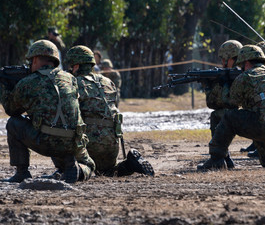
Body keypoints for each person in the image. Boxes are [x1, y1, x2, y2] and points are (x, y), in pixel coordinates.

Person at [0, 40, 95, 183]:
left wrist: (3, 88)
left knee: (13, 123)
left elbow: (11, 110)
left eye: (31, 61)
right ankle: (75, 168)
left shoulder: (28, 82)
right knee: (89, 166)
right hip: (72, 143)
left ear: (36, 59)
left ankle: (22, 173)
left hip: (45, 141)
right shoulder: (70, 79)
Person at [64, 45, 154, 177]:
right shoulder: (108, 82)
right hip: (112, 143)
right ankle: (129, 164)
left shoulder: (74, 83)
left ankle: (72, 170)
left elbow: (68, 114)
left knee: (80, 165)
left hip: (89, 144)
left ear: (76, 66)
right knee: (107, 172)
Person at [201, 40, 243, 168]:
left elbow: (230, 102)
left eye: (225, 59)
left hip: (258, 119)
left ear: (234, 59)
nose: (223, 63)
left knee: (219, 116)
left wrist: (224, 84)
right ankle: (224, 157)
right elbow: (214, 104)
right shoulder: (234, 74)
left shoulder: (242, 75)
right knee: (218, 114)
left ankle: (218, 158)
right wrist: (209, 88)